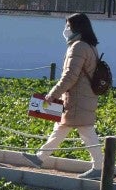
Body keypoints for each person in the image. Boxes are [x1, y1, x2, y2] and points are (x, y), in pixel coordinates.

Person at [22, 12, 103, 179]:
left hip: (78, 98)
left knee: (86, 131)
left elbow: (70, 76)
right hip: (82, 97)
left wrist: (52, 94)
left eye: (68, 26)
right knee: (61, 127)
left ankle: (99, 168)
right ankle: (40, 157)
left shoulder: (78, 47)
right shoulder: (90, 46)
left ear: (76, 27)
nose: (66, 29)